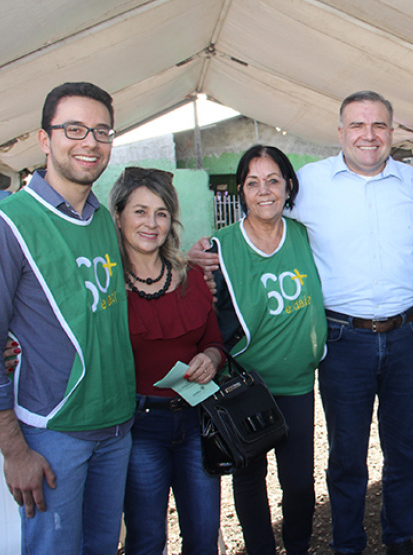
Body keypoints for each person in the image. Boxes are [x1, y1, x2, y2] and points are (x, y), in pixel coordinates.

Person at [190, 91, 413, 555]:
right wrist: (207, 250)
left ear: (392, 132)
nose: (368, 135)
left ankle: (399, 538)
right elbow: (261, 214)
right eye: (357, 125)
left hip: (410, 336)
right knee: (347, 454)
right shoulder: (308, 184)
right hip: (343, 339)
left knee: (407, 449)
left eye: (378, 125)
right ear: (340, 132)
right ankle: (348, 543)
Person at [0, 82, 135, 554]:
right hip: (53, 435)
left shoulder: (101, 218)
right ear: (44, 138)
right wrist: (15, 452)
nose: (90, 142)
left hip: (116, 426)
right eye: (74, 129)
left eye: (102, 131)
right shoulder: (1, 227)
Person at [212, 145, 326, 555]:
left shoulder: (306, 236)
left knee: (299, 483)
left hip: (296, 382)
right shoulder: (217, 249)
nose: (264, 190)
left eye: (273, 180)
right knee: (249, 478)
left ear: (288, 186)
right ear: (241, 190)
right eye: (253, 182)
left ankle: (297, 546)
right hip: (245, 387)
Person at [109, 167, 225, 555]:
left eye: (161, 213)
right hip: (139, 426)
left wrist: (210, 358)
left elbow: (214, 342)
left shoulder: (191, 276)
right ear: (119, 216)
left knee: (204, 537)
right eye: (140, 211)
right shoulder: (107, 284)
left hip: (196, 419)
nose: (151, 223)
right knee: (146, 540)